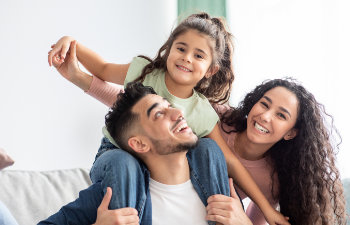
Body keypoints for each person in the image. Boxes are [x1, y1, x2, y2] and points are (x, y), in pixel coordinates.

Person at [48, 12, 289, 225]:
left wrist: (267, 210)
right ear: (169, 48)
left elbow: (230, 162)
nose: (186, 58)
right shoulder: (147, 72)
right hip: (116, 151)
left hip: (162, 165)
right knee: (124, 163)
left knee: (208, 148)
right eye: (181, 49)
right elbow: (102, 69)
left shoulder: (202, 111)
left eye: (198, 55)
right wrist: (72, 45)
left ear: (211, 70)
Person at [39, 82, 253, 225]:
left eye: (169, 106)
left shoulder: (218, 186)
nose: (178, 112)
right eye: (160, 113)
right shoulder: (113, 195)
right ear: (139, 144)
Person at [216, 78, 347, 225]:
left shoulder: (272, 181)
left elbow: (253, 221)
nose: (265, 117)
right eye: (264, 104)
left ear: (290, 133)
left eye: (281, 115)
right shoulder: (218, 117)